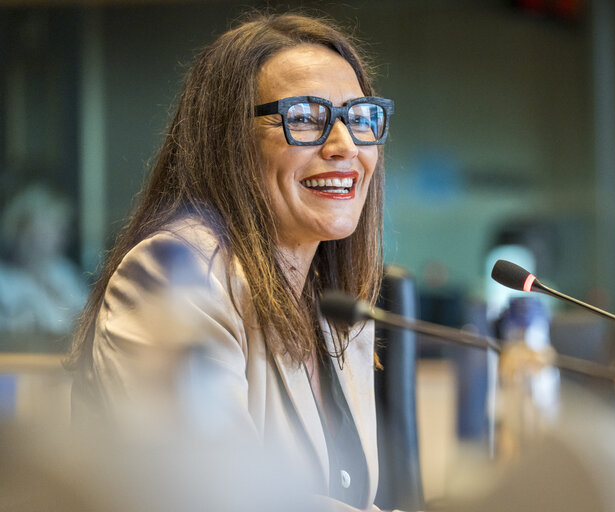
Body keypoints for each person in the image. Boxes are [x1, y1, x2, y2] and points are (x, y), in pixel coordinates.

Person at [67, 12, 394, 511]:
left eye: (359, 117)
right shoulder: (174, 274)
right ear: (229, 141)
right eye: (305, 116)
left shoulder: (335, 306)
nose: (345, 145)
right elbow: (217, 495)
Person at [0, 184, 88, 351]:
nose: (63, 235)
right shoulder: (4, 280)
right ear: (25, 229)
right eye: (54, 225)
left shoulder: (63, 271)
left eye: (62, 227)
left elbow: (87, 320)